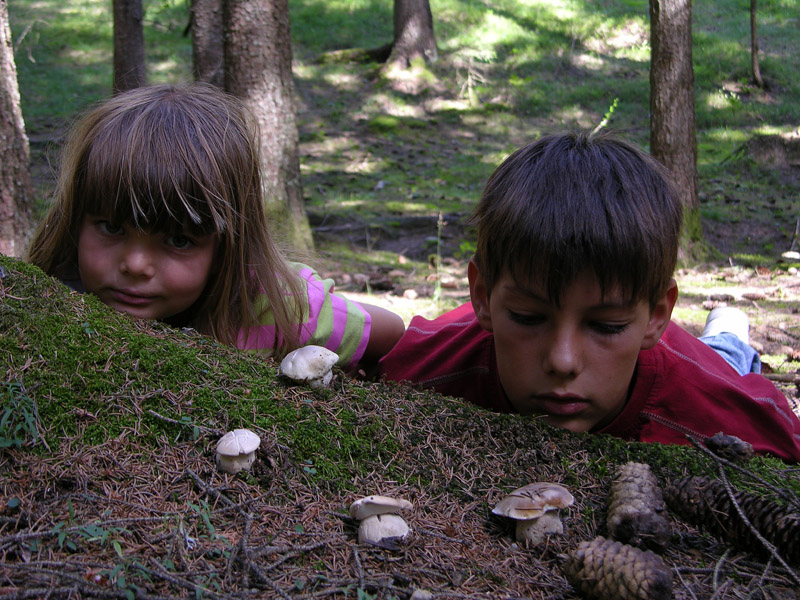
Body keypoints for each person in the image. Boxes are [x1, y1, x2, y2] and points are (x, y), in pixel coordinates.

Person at [379, 130, 800, 463]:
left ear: (657, 315)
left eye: (606, 326)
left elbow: (783, 429)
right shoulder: (425, 366)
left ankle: (728, 330)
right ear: (483, 298)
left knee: (725, 355)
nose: (563, 361)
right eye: (527, 316)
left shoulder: (723, 409)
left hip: (691, 361)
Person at [26, 83, 405, 371]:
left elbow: (390, 333)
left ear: (228, 246)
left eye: (178, 239)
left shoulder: (279, 309)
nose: (136, 264)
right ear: (76, 221)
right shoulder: (53, 294)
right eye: (111, 227)